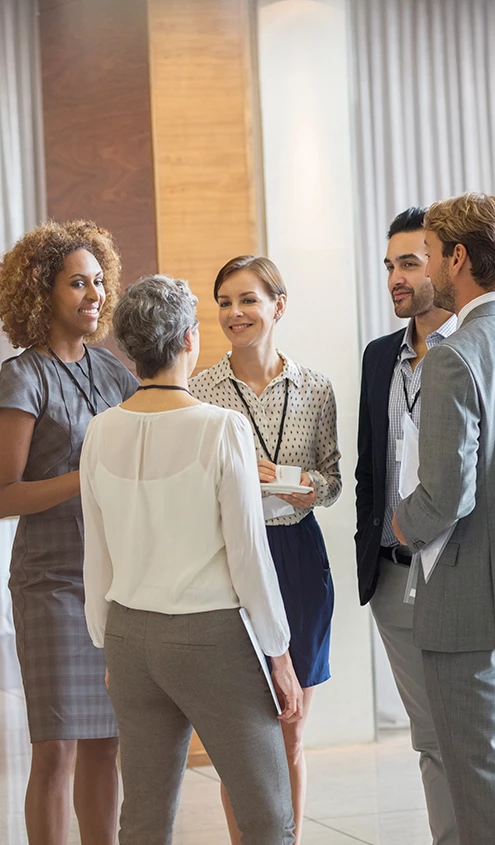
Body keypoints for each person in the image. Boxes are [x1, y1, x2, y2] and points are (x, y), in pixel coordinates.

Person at [80, 274, 303, 845]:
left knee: (144, 819)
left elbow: (96, 555)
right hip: (210, 637)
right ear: (187, 339)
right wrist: (278, 654)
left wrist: (109, 644)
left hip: (129, 636)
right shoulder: (221, 427)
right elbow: (249, 555)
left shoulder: (100, 431)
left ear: (130, 349)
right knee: (267, 815)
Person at [190, 255, 341, 845]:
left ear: (278, 306)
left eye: (248, 299)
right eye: (224, 302)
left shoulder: (315, 388)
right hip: (229, 559)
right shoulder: (200, 391)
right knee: (244, 741)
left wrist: (292, 480)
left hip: (299, 557)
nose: (235, 313)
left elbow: (332, 481)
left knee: (292, 730)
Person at [0, 220, 138, 845]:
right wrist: (85, 478)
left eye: (99, 281)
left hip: (114, 581)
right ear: (42, 291)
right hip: (51, 584)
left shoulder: (113, 371)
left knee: (107, 742)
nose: (95, 294)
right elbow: (5, 495)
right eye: (77, 283)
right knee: (55, 746)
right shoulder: (22, 377)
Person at [392, 193, 495, 845]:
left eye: (427, 254)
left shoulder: (454, 355)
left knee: (477, 780)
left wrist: (402, 523)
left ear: (457, 258)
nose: (424, 267)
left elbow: (445, 496)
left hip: (465, 602)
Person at [355, 208, 458, 844]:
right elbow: (369, 468)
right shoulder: (378, 357)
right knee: (429, 739)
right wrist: (370, 546)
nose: (395, 277)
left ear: (445, 264)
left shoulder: (475, 348)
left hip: (461, 572)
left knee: (471, 732)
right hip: (394, 577)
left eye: (410, 264)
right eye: (390, 265)